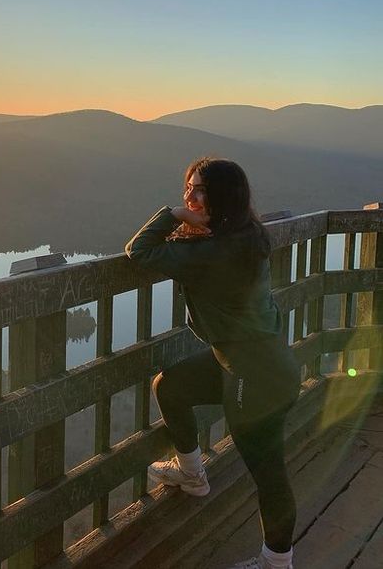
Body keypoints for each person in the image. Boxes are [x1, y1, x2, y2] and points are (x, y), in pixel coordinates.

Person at [125, 157, 300, 569]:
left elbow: (139, 251)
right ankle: (191, 474)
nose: (190, 196)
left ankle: (277, 562)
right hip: (255, 361)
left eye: (199, 189)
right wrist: (191, 216)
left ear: (223, 196)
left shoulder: (213, 249)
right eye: (188, 186)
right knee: (170, 385)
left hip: (254, 375)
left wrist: (171, 214)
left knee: (267, 470)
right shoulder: (241, 234)